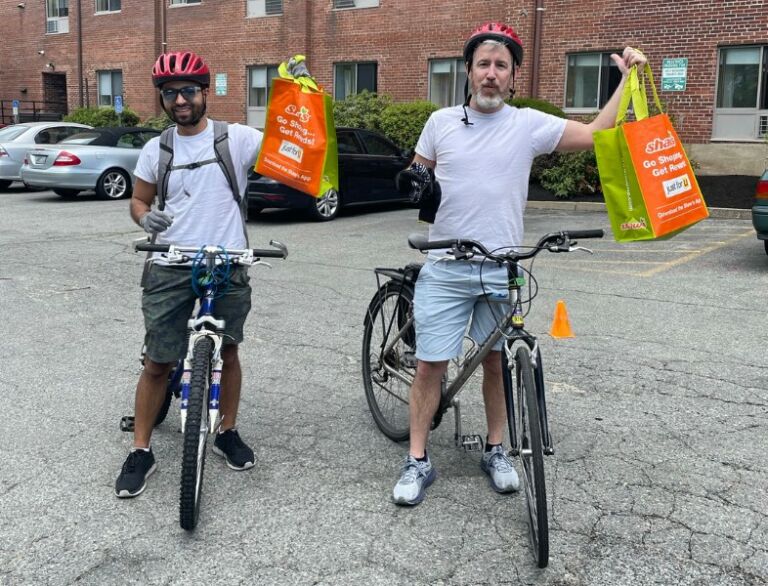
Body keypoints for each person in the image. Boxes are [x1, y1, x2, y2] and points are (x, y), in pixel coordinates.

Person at [392, 22, 647, 506]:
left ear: (514, 77)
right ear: (468, 71)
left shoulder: (527, 124)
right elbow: (419, 170)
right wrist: (414, 181)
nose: (491, 74)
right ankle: (418, 459)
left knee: (495, 362)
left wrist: (626, 81)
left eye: (501, 66)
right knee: (430, 365)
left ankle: (496, 450)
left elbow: (597, 133)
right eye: (483, 64)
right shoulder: (441, 122)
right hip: (446, 263)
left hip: (500, 265)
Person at [115, 50, 308, 498]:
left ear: (205, 93)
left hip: (228, 264)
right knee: (158, 361)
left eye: (187, 91)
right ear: (162, 100)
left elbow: (291, 146)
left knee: (230, 353)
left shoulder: (236, 139)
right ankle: (141, 450)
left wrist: (301, 96)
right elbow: (139, 201)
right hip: (169, 264)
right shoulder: (156, 148)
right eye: (169, 93)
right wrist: (144, 219)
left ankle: (226, 431)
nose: (179, 100)